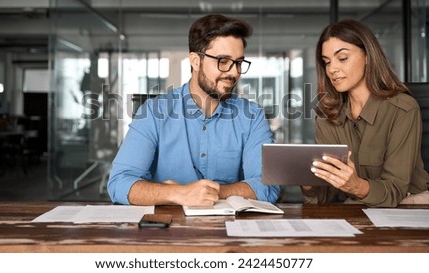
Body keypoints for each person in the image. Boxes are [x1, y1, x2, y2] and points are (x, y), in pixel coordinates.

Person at [107, 14, 280, 206]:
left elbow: (268, 187)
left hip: (230, 231)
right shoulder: (153, 112)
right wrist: (179, 194)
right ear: (195, 61)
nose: (234, 72)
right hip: (166, 232)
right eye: (223, 61)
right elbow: (119, 184)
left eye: (238, 62)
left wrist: (208, 192)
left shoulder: (252, 117)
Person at [302, 18, 429, 207]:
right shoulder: (327, 117)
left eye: (342, 58)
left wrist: (355, 186)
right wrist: (309, 184)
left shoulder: (403, 109)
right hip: (359, 205)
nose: (332, 69)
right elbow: (322, 197)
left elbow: (395, 190)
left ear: (368, 56)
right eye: (326, 62)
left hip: (409, 204)